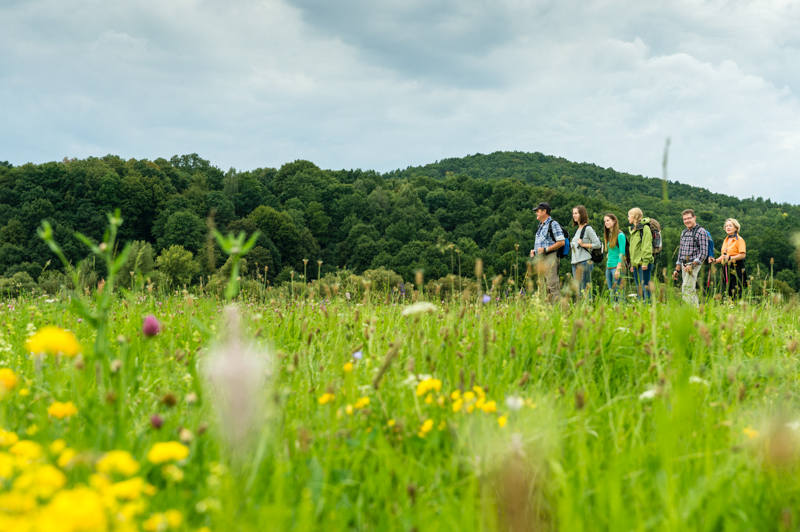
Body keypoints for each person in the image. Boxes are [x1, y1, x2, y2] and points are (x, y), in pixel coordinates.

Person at [530, 202, 565, 303]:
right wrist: (535, 251)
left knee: (552, 285)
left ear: (544, 211)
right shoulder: (540, 225)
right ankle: (544, 311)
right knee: (541, 286)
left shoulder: (553, 224)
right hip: (540, 258)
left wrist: (546, 249)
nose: (536, 213)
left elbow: (561, 242)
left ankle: (557, 310)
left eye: (538, 211)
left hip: (550, 256)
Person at [672, 209, 709, 306]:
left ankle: (688, 312)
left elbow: (703, 253)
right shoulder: (684, 232)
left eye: (689, 218)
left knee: (686, 288)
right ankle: (696, 312)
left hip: (694, 264)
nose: (687, 221)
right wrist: (677, 269)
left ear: (694, 218)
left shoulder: (701, 231)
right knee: (690, 289)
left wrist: (692, 265)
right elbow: (681, 252)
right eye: (684, 219)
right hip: (684, 264)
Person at [709, 218, 747, 300]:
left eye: (730, 226)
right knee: (728, 290)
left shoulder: (739, 240)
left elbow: (743, 255)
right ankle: (730, 308)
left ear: (736, 228)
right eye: (726, 226)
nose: (728, 227)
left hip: (736, 267)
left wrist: (730, 258)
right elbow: (723, 256)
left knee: (736, 291)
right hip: (725, 268)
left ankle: (737, 309)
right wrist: (715, 261)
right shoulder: (726, 240)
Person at [570, 205, 602, 299]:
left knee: (585, 289)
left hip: (584, 262)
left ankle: (587, 309)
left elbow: (597, 244)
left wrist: (583, 244)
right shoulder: (578, 230)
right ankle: (582, 310)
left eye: (576, 213)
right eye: (573, 214)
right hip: (575, 262)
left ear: (582, 214)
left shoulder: (588, 228)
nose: (574, 216)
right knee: (579, 289)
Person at [628, 208, 653, 300]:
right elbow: (633, 249)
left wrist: (645, 262)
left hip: (643, 263)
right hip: (636, 264)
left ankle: (648, 307)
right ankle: (640, 309)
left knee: (645, 287)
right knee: (639, 288)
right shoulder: (634, 230)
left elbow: (647, 245)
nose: (628, 218)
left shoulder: (645, 228)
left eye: (629, 215)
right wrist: (632, 264)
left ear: (634, 217)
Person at [603, 213, 626, 300]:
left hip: (616, 267)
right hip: (608, 267)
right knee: (611, 292)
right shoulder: (609, 235)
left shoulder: (620, 235)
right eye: (605, 221)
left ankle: (621, 311)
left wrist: (618, 269)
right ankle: (613, 311)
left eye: (608, 220)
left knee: (619, 293)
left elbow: (622, 252)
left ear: (614, 221)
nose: (606, 223)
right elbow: (613, 250)